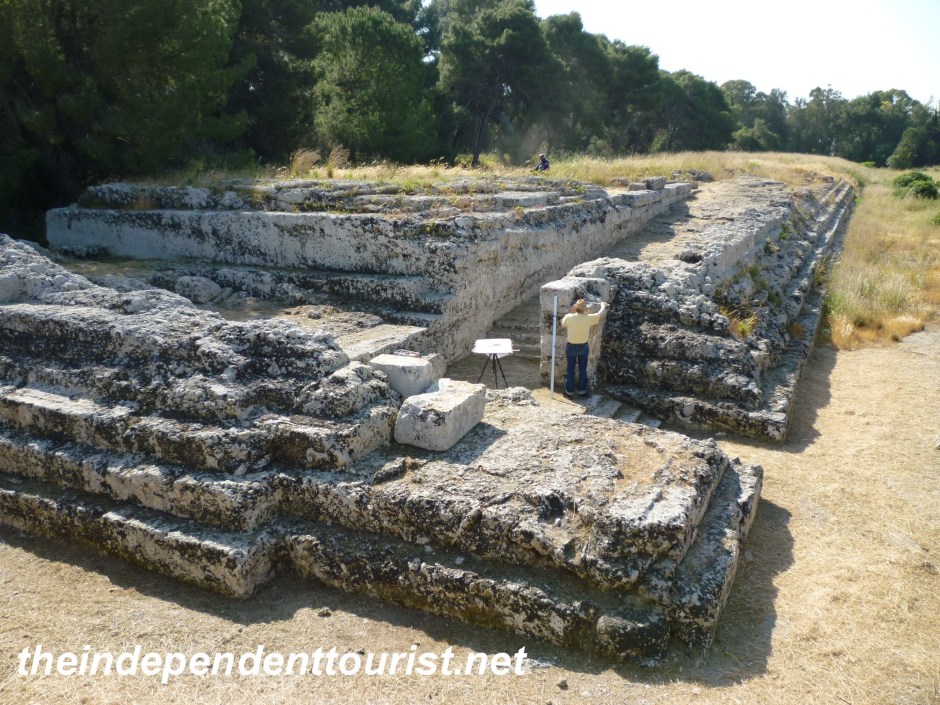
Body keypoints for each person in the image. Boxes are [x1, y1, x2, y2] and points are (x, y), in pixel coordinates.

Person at [560, 298, 608, 398]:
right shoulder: (588, 318)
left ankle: (569, 392)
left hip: (571, 346)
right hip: (583, 346)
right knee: (583, 369)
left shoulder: (569, 317)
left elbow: (562, 323)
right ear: (584, 309)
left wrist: (571, 312)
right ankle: (582, 392)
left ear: (575, 308)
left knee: (570, 369)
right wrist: (603, 306)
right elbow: (599, 314)